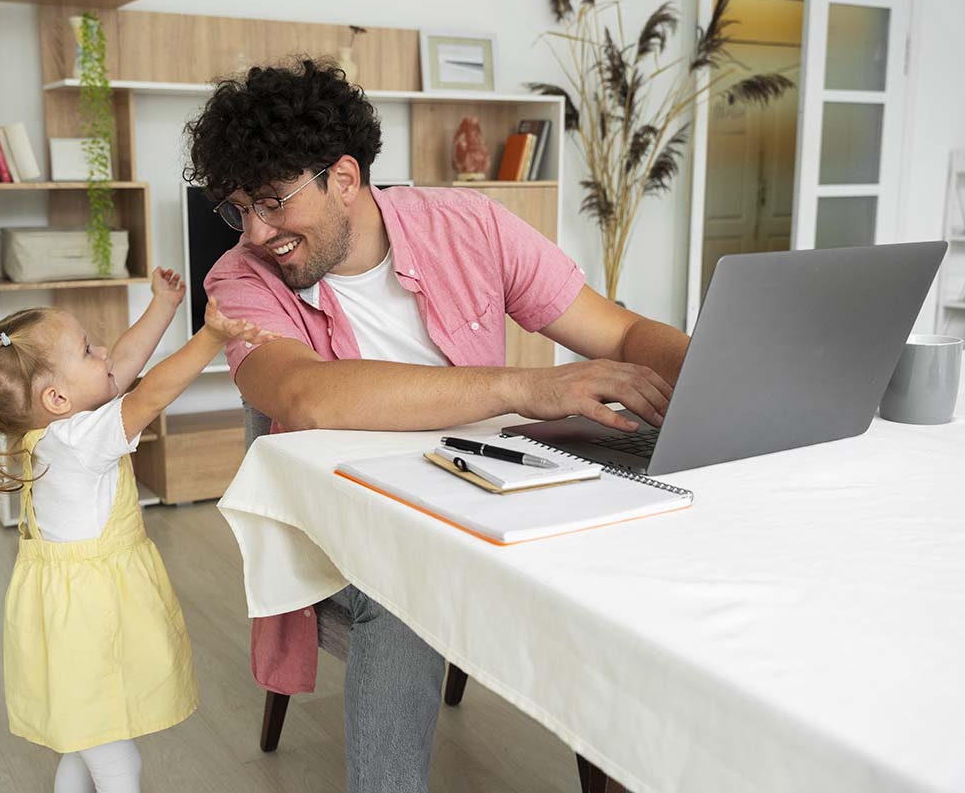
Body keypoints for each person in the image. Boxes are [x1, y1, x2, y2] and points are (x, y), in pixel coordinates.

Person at [185, 58, 690, 793]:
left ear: (346, 178)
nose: (256, 232)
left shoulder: (469, 225)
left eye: (272, 201)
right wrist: (528, 387)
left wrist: (712, 370)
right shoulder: (239, 281)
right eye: (238, 208)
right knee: (406, 584)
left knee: (647, 525)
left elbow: (619, 335)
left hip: (488, 485)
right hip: (344, 521)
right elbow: (305, 396)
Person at [0, 268, 276, 793]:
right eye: (88, 349)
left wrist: (162, 304)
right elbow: (148, 394)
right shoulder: (79, 441)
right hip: (92, 617)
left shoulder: (47, 433)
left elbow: (124, 366)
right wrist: (211, 338)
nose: (105, 350)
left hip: (63, 614)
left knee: (82, 740)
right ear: (57, 400)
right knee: (117, 764)